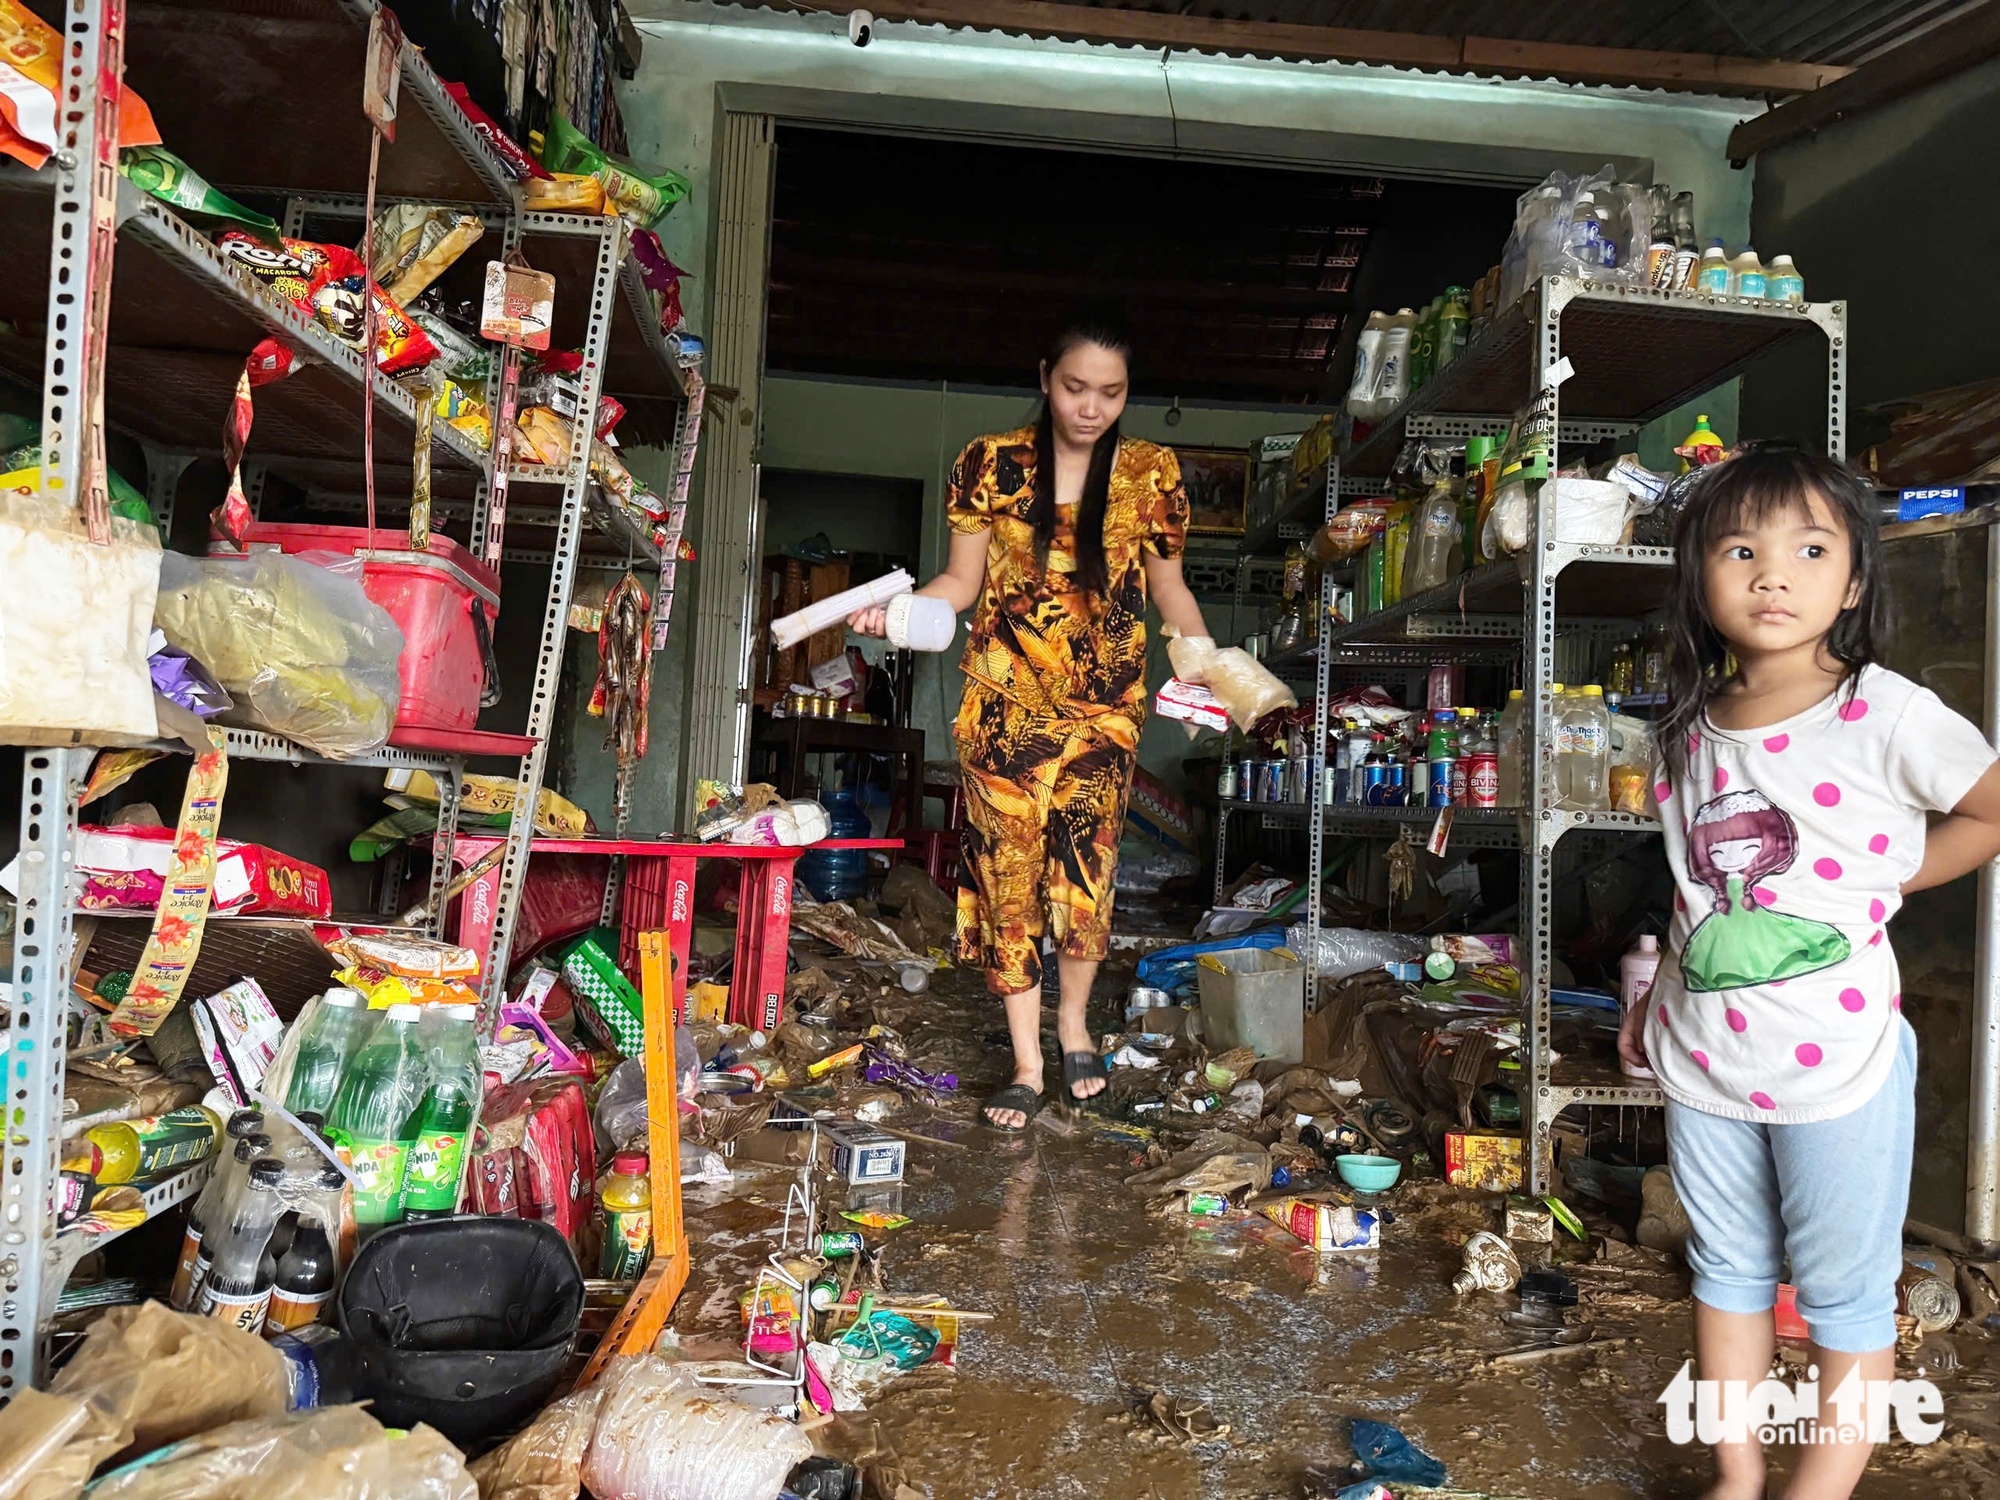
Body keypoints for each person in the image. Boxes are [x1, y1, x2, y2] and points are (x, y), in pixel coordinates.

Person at [1620, 442, 2000, 1499]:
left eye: (1807, 548)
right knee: (1728, 1276)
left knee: (1841, 1296)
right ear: (1699, 576)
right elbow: (1695, 895)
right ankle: (1737, 1478)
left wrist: (1886, 879)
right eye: (1738, 549)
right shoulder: (1688, 730)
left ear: (1853, 581)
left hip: (1837, 1063)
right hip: (1704, 1062)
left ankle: (1816, 1491)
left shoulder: (1883, 712)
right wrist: (1649, 996)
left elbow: (1986, 809)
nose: (1770, 574)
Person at [849, 314, 1212, 1130]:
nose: (1091, 407)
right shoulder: (989, 463)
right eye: (1076, 387)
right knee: (1006, 885)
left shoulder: (1151, 473)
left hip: (1102, 719)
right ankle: (1025, 1060)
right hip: (1003, 717)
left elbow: (1171, 589)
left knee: (1087, 877)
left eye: (1111, 393)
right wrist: (901, 613)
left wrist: (1201, 657)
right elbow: (960, 581)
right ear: (1047, 376)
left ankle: (1075, 1021)